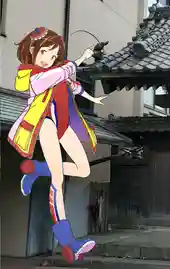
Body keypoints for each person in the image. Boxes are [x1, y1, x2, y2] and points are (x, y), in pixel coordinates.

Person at [8, 27, 107, 263]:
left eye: (53, 55)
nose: (49, 59)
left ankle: (37, 169)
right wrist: (80, 59)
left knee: (84, 169)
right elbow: (56, 76)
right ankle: (68, 242)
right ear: (32, 50)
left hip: (63, 125)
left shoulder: (57, 71)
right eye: (45, 52)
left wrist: (93, 98)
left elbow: (72, 84)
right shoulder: (29, 75)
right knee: (58, 180)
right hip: (46, 125)